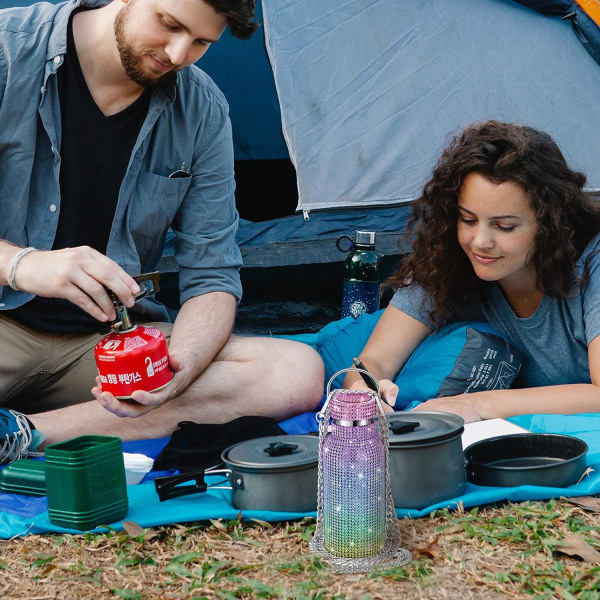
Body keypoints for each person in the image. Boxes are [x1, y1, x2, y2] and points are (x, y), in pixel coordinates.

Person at [0, 0, 324, 464]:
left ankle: (22, 433)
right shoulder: (7, 52)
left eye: (200, 43)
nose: (176, 54)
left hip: (108, 344)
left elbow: (212, 276)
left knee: (293, 371)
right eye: (169, 25)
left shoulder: (202, 109)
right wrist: (21, 265)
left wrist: (180, 368)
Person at [344, 120, 600, 423]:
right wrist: (365, 392)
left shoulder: (592, 260)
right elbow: (373, 360)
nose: (480, 242)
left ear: (550, 225)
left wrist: (475, 406)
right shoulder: (447, 260)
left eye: (505, 226)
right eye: (468, 219)